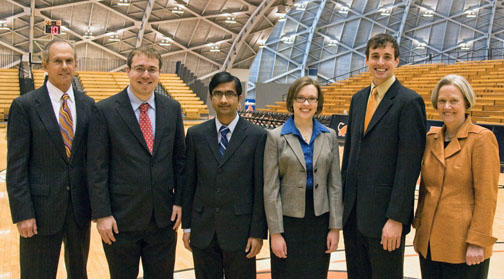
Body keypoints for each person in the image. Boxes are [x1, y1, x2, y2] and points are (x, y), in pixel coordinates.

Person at [87, 47, 185, 279]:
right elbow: (96, 167)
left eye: (152, 69)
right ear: (128, 71)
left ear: (159, 73)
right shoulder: (105, 110)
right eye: (140, 68)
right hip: (120, 221)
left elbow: (180, 161)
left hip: (163, 220)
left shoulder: (172, 109)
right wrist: (102, 214)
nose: (146, 75)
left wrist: (180, 202)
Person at [340, 33, 427, 278]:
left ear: (397, 61)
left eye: (387, 57)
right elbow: (349, 158)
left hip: (385, 219)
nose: (381, 62)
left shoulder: (409, 102)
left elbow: (409, 166)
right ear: (366, 60)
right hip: (353, 215)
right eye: (375, 56)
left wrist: (397, 218)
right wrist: (342, 208)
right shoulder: (358, 100)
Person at [6, 39, 94, 278]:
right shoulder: (25, 106)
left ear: (76, 65)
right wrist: (23, 213)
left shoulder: (88, 105)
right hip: (40, 211)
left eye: (69, 61)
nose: (64, 66)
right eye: (58, 61)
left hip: (79, 210)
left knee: (79, 273)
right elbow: (16, 167)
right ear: (45, 65)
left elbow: (93, 162)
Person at [182, 71, 267, 279]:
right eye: (218, 94)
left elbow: (260, 188)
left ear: (239, 98)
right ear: (210, 98)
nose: (223, 100)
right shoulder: (195, 135)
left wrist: (257, 232)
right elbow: (189, 183)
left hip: (241, 232)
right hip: (203, 231)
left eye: (229, 94)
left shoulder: (258, 136)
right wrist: (187, 226)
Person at [413, 74, 499, 279]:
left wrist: (478, 240)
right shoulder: (431, 139)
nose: (447, 107)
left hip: (464, 246)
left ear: (466, 103)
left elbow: (487, 196)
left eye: (454, 101)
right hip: (430, 243)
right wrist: (420, 231)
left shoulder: (482, 139)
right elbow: (425, 190)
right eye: (442, 101)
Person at [263, 76, 343, 279]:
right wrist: (275, 233)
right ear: (291, 101)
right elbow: (271, 188)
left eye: (311, 98)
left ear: (318, 103)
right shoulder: (275, 137)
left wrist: (335, 227)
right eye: (300, 98)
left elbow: (334, 185)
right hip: (288, 222)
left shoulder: (330, 135)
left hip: (319, 221)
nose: (306, 103)